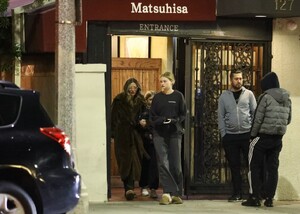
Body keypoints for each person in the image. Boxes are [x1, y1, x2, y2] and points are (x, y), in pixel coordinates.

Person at [242, 72, 292, 207]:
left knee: (254, 166)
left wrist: (252, 135)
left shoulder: (265, 97)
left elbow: (258, 119)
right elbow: (288, 120)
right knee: (273, 167)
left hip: (262, 137)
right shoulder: (287, 98)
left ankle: (255, 197)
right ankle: (269, 198)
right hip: (277, 138)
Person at [218, 70, 257, 202]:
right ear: (231, 79)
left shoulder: (249, 94)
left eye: (240, 78)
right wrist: (224, 134)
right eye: (236, 79)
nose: (239, 81)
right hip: (230, 136)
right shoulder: (224, 96)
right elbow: (220, 116)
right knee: (234, 166)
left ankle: (254, 193)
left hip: (247, 135)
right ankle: (237, 193)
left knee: (251, 165)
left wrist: (253, 133)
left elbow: (255, 113)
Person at [150, 72, 187, 205]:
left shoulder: (178, 96)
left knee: (176, 164)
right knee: (162, 163)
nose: (162, 84)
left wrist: (175, 121)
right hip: (159, 133)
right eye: (161, 81)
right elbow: (152, 116)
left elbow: (183, 114)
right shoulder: (157, 98)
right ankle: (167, 192)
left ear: (172, 82)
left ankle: (176, 193)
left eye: (165, 81)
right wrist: (162, 120)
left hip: (174, 133)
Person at [111, 78, 148, 200]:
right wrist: (112, 134)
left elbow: (146, 116)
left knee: (136, 161)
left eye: (134, 87)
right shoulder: (119, 100)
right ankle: (128, 189)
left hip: (137, 136)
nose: (132, 90)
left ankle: (133, 188)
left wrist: (143, 124)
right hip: (122, 136)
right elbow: (113, 118)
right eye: (130, 87)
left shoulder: (141, 101)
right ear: (126, 88)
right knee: (124, 161)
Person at [138, 90, 159, 199]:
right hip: (146, 141)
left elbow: (157, 122)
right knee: (146, 163)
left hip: (156, 140)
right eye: (150, 99)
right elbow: (141, 123)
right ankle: (144, 186)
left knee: (155, 165)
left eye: (153, 99)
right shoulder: (143, 110)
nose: (152, 101)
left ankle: (153, 188)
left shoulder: (158, 110)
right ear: (146, 100)